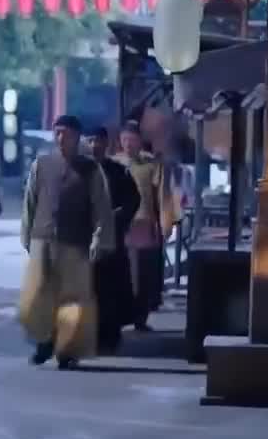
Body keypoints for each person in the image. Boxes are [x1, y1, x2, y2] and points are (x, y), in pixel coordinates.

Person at [18, 115, 115, 370]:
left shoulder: (90, 169)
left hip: (76, 242)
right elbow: (30, 201)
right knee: (39, 295)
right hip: (43, 238)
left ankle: (68, 350)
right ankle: (44, 343)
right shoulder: (41, 164)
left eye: (67, 134)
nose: (62, 138)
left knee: (73, 299)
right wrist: (27, 234)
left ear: (77, 137)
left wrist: (99, 239)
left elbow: (101, 207)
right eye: (58, 133)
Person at [86, 126, 140, 354]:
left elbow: (133, 200)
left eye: (98, 141)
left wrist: (118, 218)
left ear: (106, 144)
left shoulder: (118, 172)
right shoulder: (78, 171)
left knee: (110, 289)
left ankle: (110, 336)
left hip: (111, 240)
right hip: (84, 240)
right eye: (91, 140)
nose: (95, 145)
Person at [117, 121, 165, 331]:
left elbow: (159, 197)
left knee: (144, 274)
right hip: (122, 224)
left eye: (132, 140)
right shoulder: (114, 164)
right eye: (124, 139)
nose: (128, 144)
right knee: (123, 272)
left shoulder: (151, 165)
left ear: (139, 141)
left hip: (144, 222)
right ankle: (121, 315)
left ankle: (140, 317)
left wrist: (160, 223)